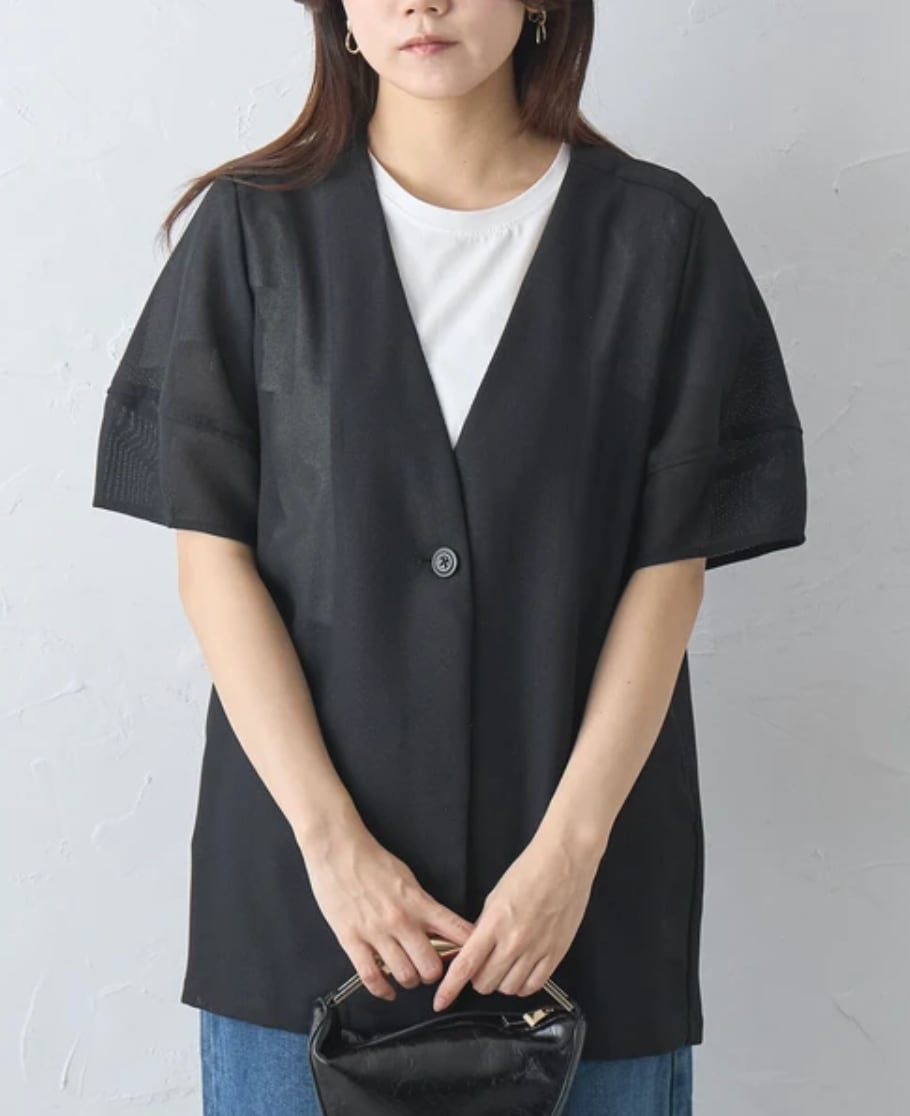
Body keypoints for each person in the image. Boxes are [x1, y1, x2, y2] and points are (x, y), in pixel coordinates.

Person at [91, 2, 808, 1113]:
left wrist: (568, 857)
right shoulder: (251, 232)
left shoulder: (660, 237)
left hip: (580, 913)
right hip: (307, 908)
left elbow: (668, 575)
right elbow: (213, 559)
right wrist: (334, 848)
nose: (421, 3)